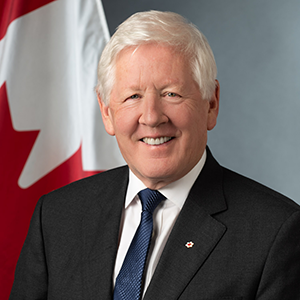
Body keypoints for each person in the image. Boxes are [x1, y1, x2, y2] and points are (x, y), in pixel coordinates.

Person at [10, 10, 300, 300]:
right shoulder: (58, 216)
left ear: (211, 103)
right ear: (106, 112)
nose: (151, 117)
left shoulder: (274, 232)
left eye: (171, 94)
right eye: (133, 96)